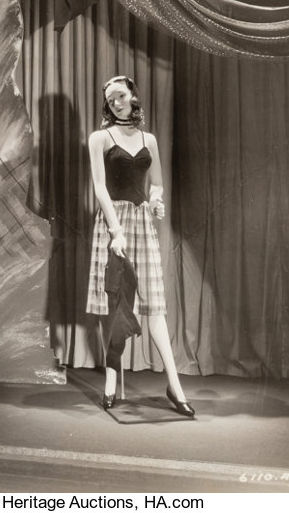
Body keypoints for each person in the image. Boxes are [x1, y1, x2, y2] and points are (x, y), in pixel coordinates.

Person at [86, 75, 195, 417]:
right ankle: (110, 378)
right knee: (115, 302)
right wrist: (115, 231)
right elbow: (100, 189)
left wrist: (157, 201)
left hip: (142, 223)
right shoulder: (100, 138)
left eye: (120, 95)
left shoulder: (149, 139)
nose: (115, 102)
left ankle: (174, 385)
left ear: (133, 95)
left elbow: (158, 183)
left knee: (155, 306)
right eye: (110, 98)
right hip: (112, 224)